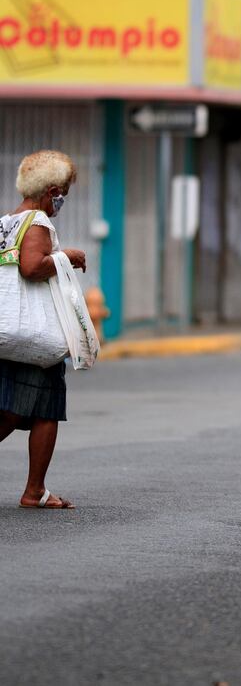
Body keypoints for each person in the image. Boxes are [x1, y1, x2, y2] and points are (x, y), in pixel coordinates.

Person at [0, 150, 86, 509]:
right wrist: (69, 257)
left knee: (35, 408)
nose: (63, 199)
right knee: (27, 408)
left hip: (13, 329)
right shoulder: (37, 221)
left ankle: (36, 490)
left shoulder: (8, 221)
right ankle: (34, 491)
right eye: (63, 191)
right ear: (51, 190)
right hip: (34, 334)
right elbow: (32, 268)